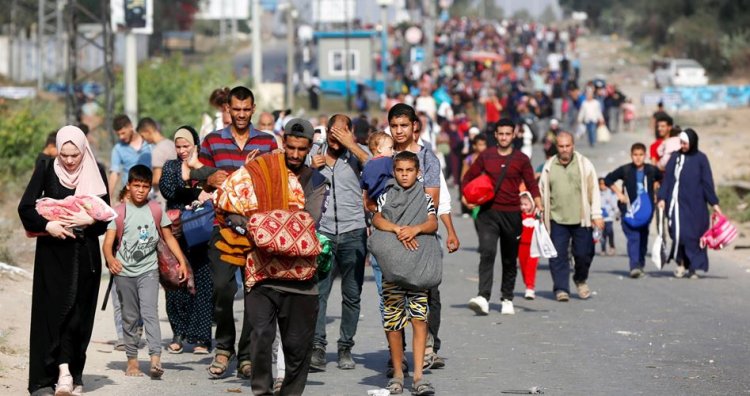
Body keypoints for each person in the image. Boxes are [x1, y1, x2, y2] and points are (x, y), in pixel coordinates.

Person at [19, 126, 110, 396]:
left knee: (79, 317)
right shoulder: (46, 168)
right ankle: (57, 375)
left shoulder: (96, 171)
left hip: (85, 256)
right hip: (53, 256)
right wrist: (49, 226)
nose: (69, 161)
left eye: (75, 155)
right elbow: (25, 208)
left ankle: (73, 372)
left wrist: (90, 220)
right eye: (65, 154)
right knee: (55, 315)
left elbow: (105, 217)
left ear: (84, 151)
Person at [243, 118, 329, 396]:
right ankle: (262, 392)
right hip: (262, 274)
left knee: (297, 350)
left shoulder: (316, 181)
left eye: (300, 149)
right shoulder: (262, 171)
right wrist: (248, 224)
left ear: (309, 148)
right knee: (260, 339)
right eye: (290, 147)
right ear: (283, 142)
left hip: (302, 280)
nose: (294, 154)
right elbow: (239, 204)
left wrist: (262, 223)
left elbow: (307, 221)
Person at [197, 86, 278, 378]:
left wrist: (256, 171)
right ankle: (224, 347)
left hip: (257, 230)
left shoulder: (268, 143)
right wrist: (208, 177)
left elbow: (277, 183)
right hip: (222, 227)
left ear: (253, 109)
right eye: (236, 110)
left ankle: (245, 355)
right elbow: (197, 178)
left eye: (246, 110)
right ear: (228, 109)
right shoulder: (213, 141)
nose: (241, 115)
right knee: (222, 288)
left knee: (254, 293)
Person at [370, 151, 438, 396]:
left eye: (409, 170)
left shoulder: (424, 197)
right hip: (392, 270)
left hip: (417, 269)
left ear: (417, 172)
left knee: (419, 319)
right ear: (394, 172)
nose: (404, 175)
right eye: (400, 170)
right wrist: (399, 229)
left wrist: (416, 229)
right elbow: (377, 219)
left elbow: (433, 223)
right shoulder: (386, 196)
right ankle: (398, 373)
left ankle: (419, 376)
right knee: (393, 321)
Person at [308, 114, 370, 372]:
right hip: (322, 233)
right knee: (319, 293)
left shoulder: (359, 154)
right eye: (333, 132)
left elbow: (379, 167)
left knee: (352, 294)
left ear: (351, 132)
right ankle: (318, 347)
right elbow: (293, 178)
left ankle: (345, 347)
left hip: (353, 232)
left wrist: (352, 144)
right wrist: (310, 167)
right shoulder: (313, 153)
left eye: (343, 131)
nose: (337, 137)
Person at [462, 118, 542, 315]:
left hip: (512, 214)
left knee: (509, 258)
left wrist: (538, 202)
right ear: (495, 135)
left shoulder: (521, 159)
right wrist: (469, 196)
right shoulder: (486, 156)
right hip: (488, 213)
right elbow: (468, 177)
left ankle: (507, 297)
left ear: (513, 135)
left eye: (508, 133)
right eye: (501, 134)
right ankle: (483, 297)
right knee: (487, 252)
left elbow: (531, 183)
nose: (504, 137)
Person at [158, 126, 214, 356]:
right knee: (175, 280)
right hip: (176, 233)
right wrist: (193, 192)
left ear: (195, 145)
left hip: (200, 233)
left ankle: (201, 336)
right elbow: (168, 191)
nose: (182, 151)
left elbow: (214, 187)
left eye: (186, 146)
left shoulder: (204, 166)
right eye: (178, 146)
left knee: (203, 281)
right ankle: (178, 333)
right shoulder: (170, 167)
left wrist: (195, 169)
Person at [538, 131, 603, 302]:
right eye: (561, 146)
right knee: (557, 255)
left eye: (568, 146)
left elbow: (593, 189)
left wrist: (597, 214)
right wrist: (541, 214)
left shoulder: (584, 164)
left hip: (581, 219)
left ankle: (580, 280)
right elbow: (541, 191)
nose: (565, 149)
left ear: (573, 145)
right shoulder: (549, 166)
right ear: (556, 147)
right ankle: (561, 288)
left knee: (583, 254)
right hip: (557, 219)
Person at [657, 129, 721, 279]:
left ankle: (693, 267)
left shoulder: (701, 159)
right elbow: (667, 180)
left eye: (685, 143)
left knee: (696, 236)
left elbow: (707, 183)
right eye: (681, 142)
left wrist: (715, 204)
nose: (683, 145)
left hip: (697, 205)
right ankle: (681, 263)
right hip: (678, 205)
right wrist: (661, 198)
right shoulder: (675, 157)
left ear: (692, 142)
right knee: (680, 234)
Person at [604, 143, 662, 278]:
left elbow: (661, 178)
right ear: (631, 155)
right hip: (629, 209)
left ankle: (640, 263)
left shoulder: (651, 170)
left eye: (641, 155)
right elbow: (608, 179)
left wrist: (655, 191)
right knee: (633, 236)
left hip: (646, 210)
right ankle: (634, 266)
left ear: (645, 155)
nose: (638, 158)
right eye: (635, 155)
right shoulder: (626, 170)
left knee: (643, 236)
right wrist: (618, 193)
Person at [108, 114, 152, 205]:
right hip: (129, 197)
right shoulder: (118, 148)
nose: (121, 137)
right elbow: (114, 173)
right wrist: (107, 199)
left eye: (123, 133)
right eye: (118, 134)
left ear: (131, 127)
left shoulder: (149, 143)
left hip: (150, 194)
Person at [137, 117, 176, 207]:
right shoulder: (171, 144)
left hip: (163, 198)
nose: (143, 140)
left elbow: (157, 179)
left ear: (148, 131)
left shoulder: (158, 150)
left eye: (143, 136)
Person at [361, 131, 395, 210]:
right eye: (390, 148)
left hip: (376, 202)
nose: (393, 152)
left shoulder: (366, 166)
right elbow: (397, 175)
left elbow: (364, 187)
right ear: (379, 149)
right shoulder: (387, 161)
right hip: (390, 198)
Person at [517, 191, 539, 300]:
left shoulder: (536, 216)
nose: (523, 207)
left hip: (533, 246)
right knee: (523, 266)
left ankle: (530, 287)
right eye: (521, 204)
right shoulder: (519, 216)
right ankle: (527, 283)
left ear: (532, 204)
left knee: (531, 266)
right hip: (521, 246)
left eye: (526, 204)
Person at [598, 178, 618, 256]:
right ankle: (603, 249)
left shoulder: (610, 193)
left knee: (609, 231)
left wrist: (617, 214)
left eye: (604, 184)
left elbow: (614, 204)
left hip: (609, 217)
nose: (602, 186)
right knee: (602, 234)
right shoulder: (597, 193)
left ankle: (612, 247)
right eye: (601, 184)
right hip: (600, 218)